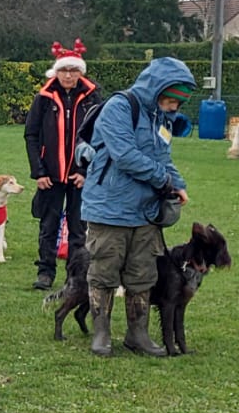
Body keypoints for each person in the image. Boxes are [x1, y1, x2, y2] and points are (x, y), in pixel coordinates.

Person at [80, 57, 196, 357]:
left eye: (179, 103)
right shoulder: (119, 107)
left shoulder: (162, 119)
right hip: (109, 208)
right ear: (157, 89)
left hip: (146, 212)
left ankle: (138, 335)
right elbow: (125, 156)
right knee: (104, 271)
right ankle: (101, 333)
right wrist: (164, 181)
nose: (174, 107)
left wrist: (178, 184)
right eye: (171, 99)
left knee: (142, 274)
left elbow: (164, 158)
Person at [24, 40, 100, 291]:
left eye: (73, 70)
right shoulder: (44, 99)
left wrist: (85, 171)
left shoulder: (92, 98)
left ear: (80, 72)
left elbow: (99, 137)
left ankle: (75, 276)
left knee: (78, 228)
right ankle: (45, 272)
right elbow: (31, 135)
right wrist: (39, 171)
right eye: (64, 70)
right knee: (49, 225)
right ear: (56, 72)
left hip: (79, 175)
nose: (68, 75)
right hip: (51, 174)